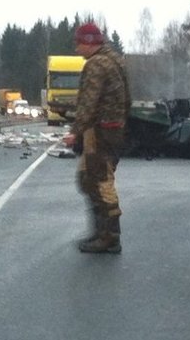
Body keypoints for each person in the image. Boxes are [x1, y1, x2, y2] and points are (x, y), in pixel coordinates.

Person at [63, 22, 131, 254]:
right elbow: (126, 99)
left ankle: (110, 237)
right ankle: (101, 232)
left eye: (79, 43)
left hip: (101, 131)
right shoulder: (115, 60)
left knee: (100, 181)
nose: (76, 48)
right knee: (87, 179)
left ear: (89, 42)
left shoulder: (96, 64)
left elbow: (88, 103)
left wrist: (75, 131)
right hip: (113, 128)